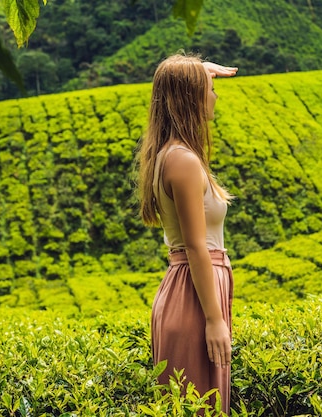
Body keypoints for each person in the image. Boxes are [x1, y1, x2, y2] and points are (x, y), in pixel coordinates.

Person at [136, 53, 238, 415]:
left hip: (196, 289)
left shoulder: (172, 154)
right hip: (195, 296)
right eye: (209, 89)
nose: (215, 96)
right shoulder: (182, 160)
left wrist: (196, 73)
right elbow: (196, 246)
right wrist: (214, 320)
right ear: (191, 97)